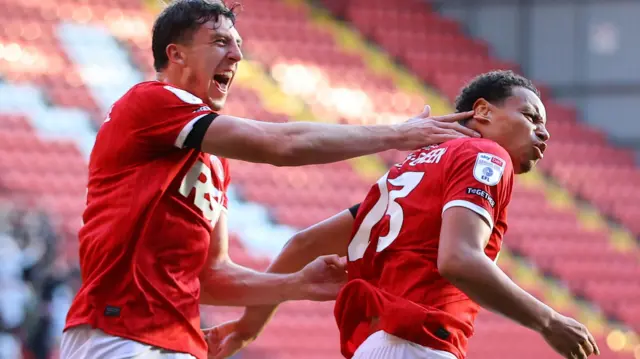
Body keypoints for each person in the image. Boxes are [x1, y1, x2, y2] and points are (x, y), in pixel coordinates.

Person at [58, 1, 478, 359]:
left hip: (179, 340)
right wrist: (397, 134)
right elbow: (279, 145)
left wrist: (295, 285)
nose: (237, 56)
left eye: (238, 45)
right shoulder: (151, 101)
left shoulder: (214, 161)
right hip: (117, 331)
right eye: (220, 42)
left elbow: (210, 276)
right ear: (177, 55)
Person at [208, 70, 601, 359]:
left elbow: (303, 243)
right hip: (422, 344)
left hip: (379, 347)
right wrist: (548, 321)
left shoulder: (411, 171)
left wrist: (248, 326)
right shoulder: (486, 155)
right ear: (481, 111)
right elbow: (459, 259)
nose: (543, 133)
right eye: (532, 117)